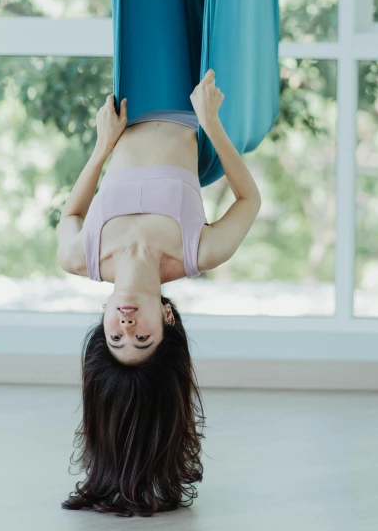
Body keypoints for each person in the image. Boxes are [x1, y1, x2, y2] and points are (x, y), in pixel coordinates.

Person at [56, 68, 261, 516]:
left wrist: (103, 145)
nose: (127, 326)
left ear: (105, 321)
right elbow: (249, 200)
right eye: (142, 339)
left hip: (137, 91)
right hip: (192, 106)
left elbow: (71, 212)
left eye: (116, 338)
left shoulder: (80, 256)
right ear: (168, 321)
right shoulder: (198, 252)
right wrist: (211, 124)